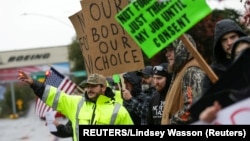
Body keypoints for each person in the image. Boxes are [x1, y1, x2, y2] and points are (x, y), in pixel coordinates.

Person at [17, 72, 134, 141]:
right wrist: (33, 83)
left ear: (103, 88)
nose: (89, 89)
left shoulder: (119, 111)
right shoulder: (77, 103)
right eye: (88, 86)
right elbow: (55, 96)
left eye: (93, 86)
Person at [198, 36, 250, 123]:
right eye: (238, 55)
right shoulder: (231, 97)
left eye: (247, 52)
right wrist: (205, 121)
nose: (244, 58)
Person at [161, 34, 207, 125]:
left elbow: (194, 107)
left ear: (182, 48)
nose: (167, 54)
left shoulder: (192, 71)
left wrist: (171, 122)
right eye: (166, 51)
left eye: (171, 50)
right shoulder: (180, 71)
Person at [202, 19, 247, 93]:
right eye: (224, 40)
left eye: (232, 37)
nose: (229, 43)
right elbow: (206, 101)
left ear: (240, 36)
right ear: (220, 44)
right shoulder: (213, 72)